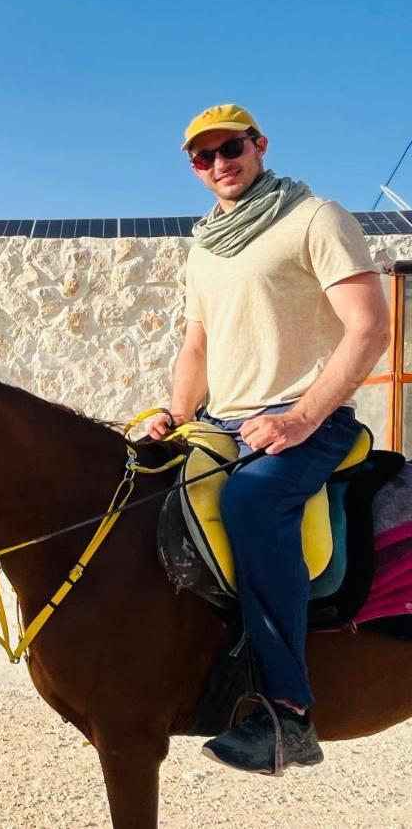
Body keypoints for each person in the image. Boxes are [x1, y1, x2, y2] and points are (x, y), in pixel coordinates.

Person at [145, 105, 390, 774]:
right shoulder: (205, 247)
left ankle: (289, 711)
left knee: (254, 500)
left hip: (310, 418)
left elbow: (370, 326)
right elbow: (196, 346)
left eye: (230, 148)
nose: (220, 163)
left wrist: (302, 417)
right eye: (203, 156)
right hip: (225, 420)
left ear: (260, 145)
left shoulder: (316, 218)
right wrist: (173, 415)